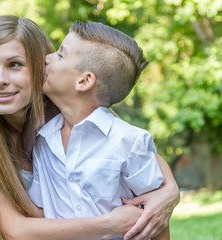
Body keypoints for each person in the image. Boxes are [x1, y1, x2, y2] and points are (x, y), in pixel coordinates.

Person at [0, 15, 180, 240]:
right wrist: (109, 224)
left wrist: (169, 191)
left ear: (39, 64)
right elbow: (16, 230)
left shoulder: (69, 107)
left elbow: (135, 150)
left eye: (15, 64)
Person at [27, 21, 171, 240]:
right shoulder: (42, 142)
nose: (47, 58)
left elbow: (157, 216)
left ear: (84, 81)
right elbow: (38, 211)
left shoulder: (128, 140)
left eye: (60, 55)